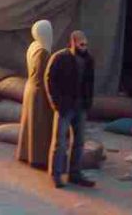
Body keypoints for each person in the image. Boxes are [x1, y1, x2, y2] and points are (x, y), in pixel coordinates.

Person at [46, 30, 97, 189]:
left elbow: (90, 82)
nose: (84, 47)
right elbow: (50, 80)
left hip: (80, 106)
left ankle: (75, 174)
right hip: (65, 107)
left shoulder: (88, 59)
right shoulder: (60, 58)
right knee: (60, 143)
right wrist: (57, 103)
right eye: (81, 44)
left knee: (79, 142)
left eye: (86, 44)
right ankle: (57, 174)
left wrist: (88, 102)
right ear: (73, 42)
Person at [16, 20, 56, 170]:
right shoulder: (42, 52)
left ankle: (27, 154)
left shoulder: (33, 46)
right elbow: (44, 74)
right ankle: (38, 158)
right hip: (39, 91)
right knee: (40, 125)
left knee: (30, 124)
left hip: (31, 87)